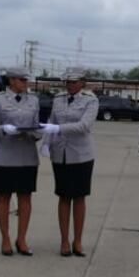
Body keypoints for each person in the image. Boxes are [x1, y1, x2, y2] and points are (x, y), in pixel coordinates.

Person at [43, 68, 99, 258]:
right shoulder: (58, 99)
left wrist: (58, 128)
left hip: (81, 154)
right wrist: (46, 144)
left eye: (74, 82)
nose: (71, 85)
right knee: (64, 196)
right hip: (61, 153)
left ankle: (78, 240)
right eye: (68, 82)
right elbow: (51, 121)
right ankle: (64, 240)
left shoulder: (91, 100)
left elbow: (84, 126)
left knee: (80, 197)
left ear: (83, 82)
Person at [0, 69, 42, 256]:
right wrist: (5, 129)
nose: (25, 82)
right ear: (11, 81)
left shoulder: (33, 100)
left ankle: (22, 238)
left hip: (27, 155)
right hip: (5, 155)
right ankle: (5, 239)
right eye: (22, 79)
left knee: (25, 197)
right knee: (3, 197)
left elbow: (36, 125)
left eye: (26, 79)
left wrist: (37, 132)